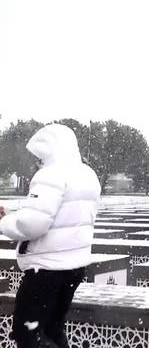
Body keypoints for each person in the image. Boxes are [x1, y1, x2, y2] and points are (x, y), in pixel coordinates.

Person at [0, 124, 101, 348]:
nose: (38, 160)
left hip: (46, 269)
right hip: (74, 267)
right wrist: (14, 215)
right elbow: (65, 217)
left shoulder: (51, 175)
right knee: (53, 328)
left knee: (28, 332)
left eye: (39, 155)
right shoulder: (87, 173)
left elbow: (33, 225)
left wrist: (4, 222)